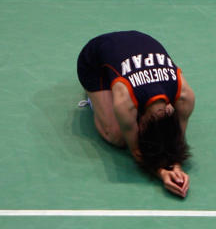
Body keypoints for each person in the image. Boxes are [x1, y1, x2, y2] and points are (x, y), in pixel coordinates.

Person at [76, 31, 195, 198]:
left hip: (140, 43)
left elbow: (177, 141)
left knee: (136, 129)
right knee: (117, 136)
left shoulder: (185, 97)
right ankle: (97, 99)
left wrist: (176, 166)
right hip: (95, 60)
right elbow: (136, 150)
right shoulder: (125, 103)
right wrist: (161, 172)